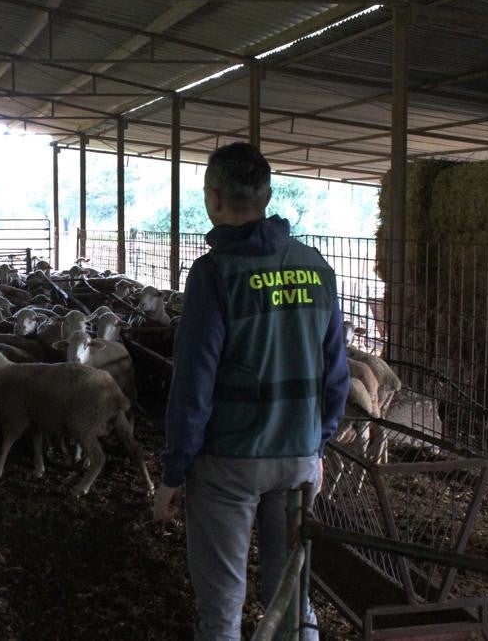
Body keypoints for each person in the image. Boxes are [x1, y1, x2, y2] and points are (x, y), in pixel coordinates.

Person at [151, 143, 349, 640]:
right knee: (292, 596)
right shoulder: (316, 267)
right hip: (298, 457)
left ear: (213, 198)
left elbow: (193, 383)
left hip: (229, 463)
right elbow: (336, 374)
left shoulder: (214, 274)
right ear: (267, 196)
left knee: (222, 605)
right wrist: (318, 445)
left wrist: (174, 471)